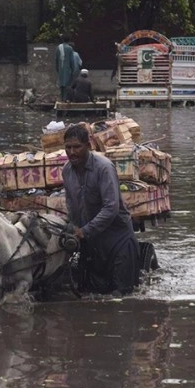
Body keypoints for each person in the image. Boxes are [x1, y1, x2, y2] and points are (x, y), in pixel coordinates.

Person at [61, 124, 140, 296]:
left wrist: (84, 231)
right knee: (87, 293)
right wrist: (73, 227)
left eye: (77, 147)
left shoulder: (103, 167)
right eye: (68, 147)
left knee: (121, 297)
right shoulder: (67, 171)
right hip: (91, 241)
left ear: (88, 146)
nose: (72, 152)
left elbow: (111, 207)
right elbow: (70, 203)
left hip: (116, 239)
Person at [54, 34, 76, 102]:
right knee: (67, 85)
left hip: (61, 69)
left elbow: (56, 59)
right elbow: (72, 61)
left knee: (61, 86)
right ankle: (66, 100)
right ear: (69, 40)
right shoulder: (69, 48)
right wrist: (73, 70)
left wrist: (57, 69)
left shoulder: (58, 47)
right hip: (68, 70)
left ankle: (62, 99)